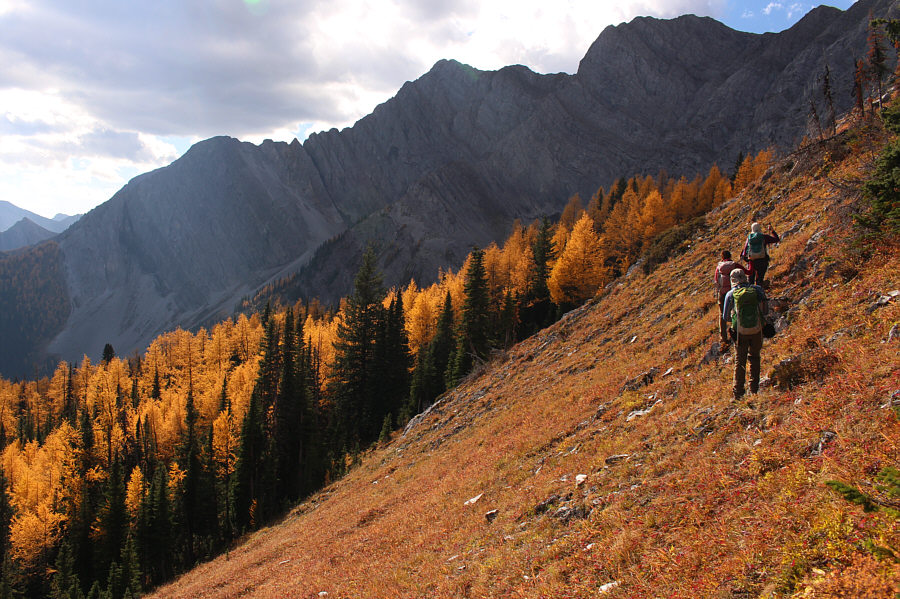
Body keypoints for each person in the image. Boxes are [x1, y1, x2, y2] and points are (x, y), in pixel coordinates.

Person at [722, 268, 768, 399]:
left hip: (740, 332)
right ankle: (754, 389)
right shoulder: (757, 290)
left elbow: (726, 317)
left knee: (740, 361)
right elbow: (765, 310)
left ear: (733, 280)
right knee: (755, 357)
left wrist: (736, 319)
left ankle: (738, 393)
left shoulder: (731, 294)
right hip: (756, 330)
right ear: (745, 277)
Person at [713, 250, 749, 347]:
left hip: (722, 294)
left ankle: (723, 338)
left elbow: (716, 281)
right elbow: (748, 272)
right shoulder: (735, 265)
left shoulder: (719, 267)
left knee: (722, 315)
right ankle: (737, 332)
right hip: (735, 293)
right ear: (730, 256)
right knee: (736, 312)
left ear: (722, 257)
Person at [740, 222, 780, 288]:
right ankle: (760, 292)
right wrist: (772, 230)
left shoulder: (749, 238)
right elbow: (776, 239)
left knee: (751, 281)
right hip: (762, 260)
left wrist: (746, 259)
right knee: (760, 279)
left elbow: (745, 251)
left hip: (751, 261)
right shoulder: (764, 237)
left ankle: (751, 293)